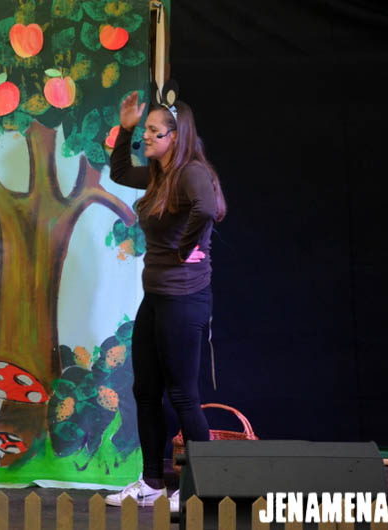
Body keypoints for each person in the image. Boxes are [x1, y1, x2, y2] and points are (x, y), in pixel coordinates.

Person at [104, 90, 226, 512]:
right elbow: (121, 171)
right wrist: (125, 129)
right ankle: (152, 482)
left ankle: (199, 488)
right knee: (145, 390)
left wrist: (186, 248)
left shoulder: (191, 172)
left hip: (184, 299)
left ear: (175, 136)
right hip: (155, 297)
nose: (147, 136)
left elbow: (205, 209)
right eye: (146, 130)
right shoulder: (159, 174)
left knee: (183, 395)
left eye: (154, 131)